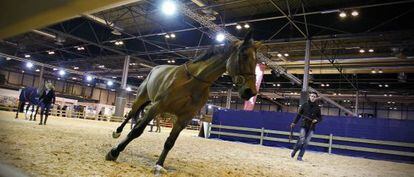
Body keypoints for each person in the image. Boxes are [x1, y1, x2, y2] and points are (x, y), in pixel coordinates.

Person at [290, 92, 322, 161]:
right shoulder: (304, 105)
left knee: (306, 142)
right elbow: (299, 115)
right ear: (309, 97)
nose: (313, 97)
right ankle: (295, 150)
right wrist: (294, 122)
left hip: (312, 127)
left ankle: (300, 156)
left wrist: (316, 120)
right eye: (312, 96)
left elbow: (320, 118)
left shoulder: (317, 108)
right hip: (304, 125)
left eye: (314, 96)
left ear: (316, 98)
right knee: (301, 140)